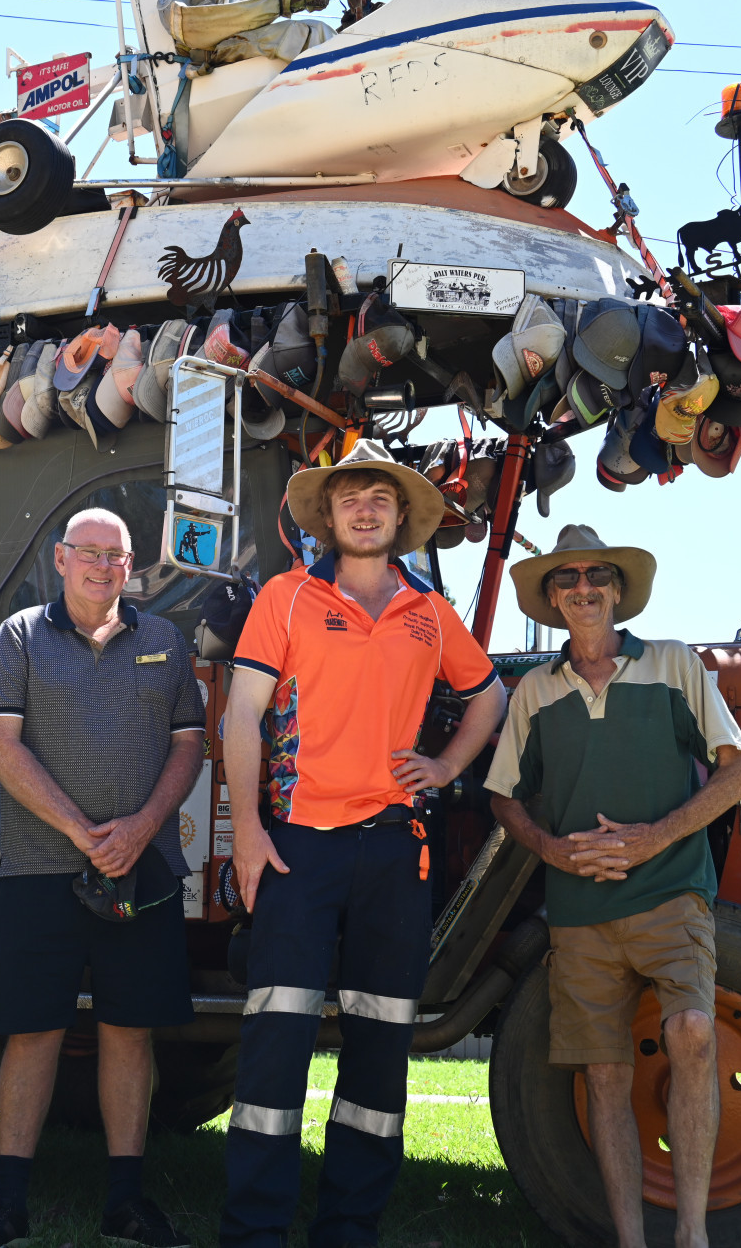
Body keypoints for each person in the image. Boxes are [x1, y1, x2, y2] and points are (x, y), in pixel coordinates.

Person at [219, 441, 508, 1248]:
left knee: (380, 1055)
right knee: (275, 1044)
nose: (366, 505)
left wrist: (447, 765)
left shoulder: (429, 613)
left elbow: (489, 699)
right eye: (351, 493)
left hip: (395, 853)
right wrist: (247, 831)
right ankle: (254, 1232)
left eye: (381, 494)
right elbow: (242, 713)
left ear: (400, 516)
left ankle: (348, 1229)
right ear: (330, 513)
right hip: (298, 848)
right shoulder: (285, 596)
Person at [484, 524, 741, 1248]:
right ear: (551, 597)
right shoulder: (534, 692)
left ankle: (691, 1233)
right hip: (578, 911)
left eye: (596, 576)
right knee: (603, 1074)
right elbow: (504, 798)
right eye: (567, 578)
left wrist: (651, 839)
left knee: (694, 1031)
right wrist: (551, 851)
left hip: (670, 892)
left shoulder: (673, 665)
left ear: (617, 590)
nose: (583, 588)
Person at [0, 509, 206, 1248]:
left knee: (131, 1032)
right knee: (32, 1031)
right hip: (40, 870)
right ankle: (8, 1206)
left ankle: (126, 1204)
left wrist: (139, 828)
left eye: (116, 555)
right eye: (89, 552)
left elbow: (188, 747)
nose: (103, 566)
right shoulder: (20, 636)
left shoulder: (163, 640)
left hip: (142, 870)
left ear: (132, 566)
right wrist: (81, 831)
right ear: (61, 559)